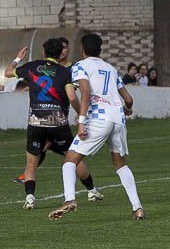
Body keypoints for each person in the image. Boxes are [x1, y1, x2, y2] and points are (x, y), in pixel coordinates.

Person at [49, 33, 144, 221]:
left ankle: (69, 200)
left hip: (98, 119)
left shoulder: (80, 66)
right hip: (118, 119)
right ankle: (137, 208)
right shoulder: (111, 68)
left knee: (70, 160)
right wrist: (127, 109)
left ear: (82, 50)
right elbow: (129, 99)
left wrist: (82, 121)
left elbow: (84, 92)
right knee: (120, 164)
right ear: (100, 50)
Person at [5, 38, 102, 211]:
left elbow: (7, 72)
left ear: (44, 53)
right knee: (74, 158)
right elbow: (72, 97)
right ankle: (92, 191)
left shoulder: (31, 67)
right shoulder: (65, 72)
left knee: (31, 163)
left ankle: (29, 198)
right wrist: (82, 115)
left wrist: (18, 58)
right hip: (58, 122)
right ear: (60, 54)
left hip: (36, 121)